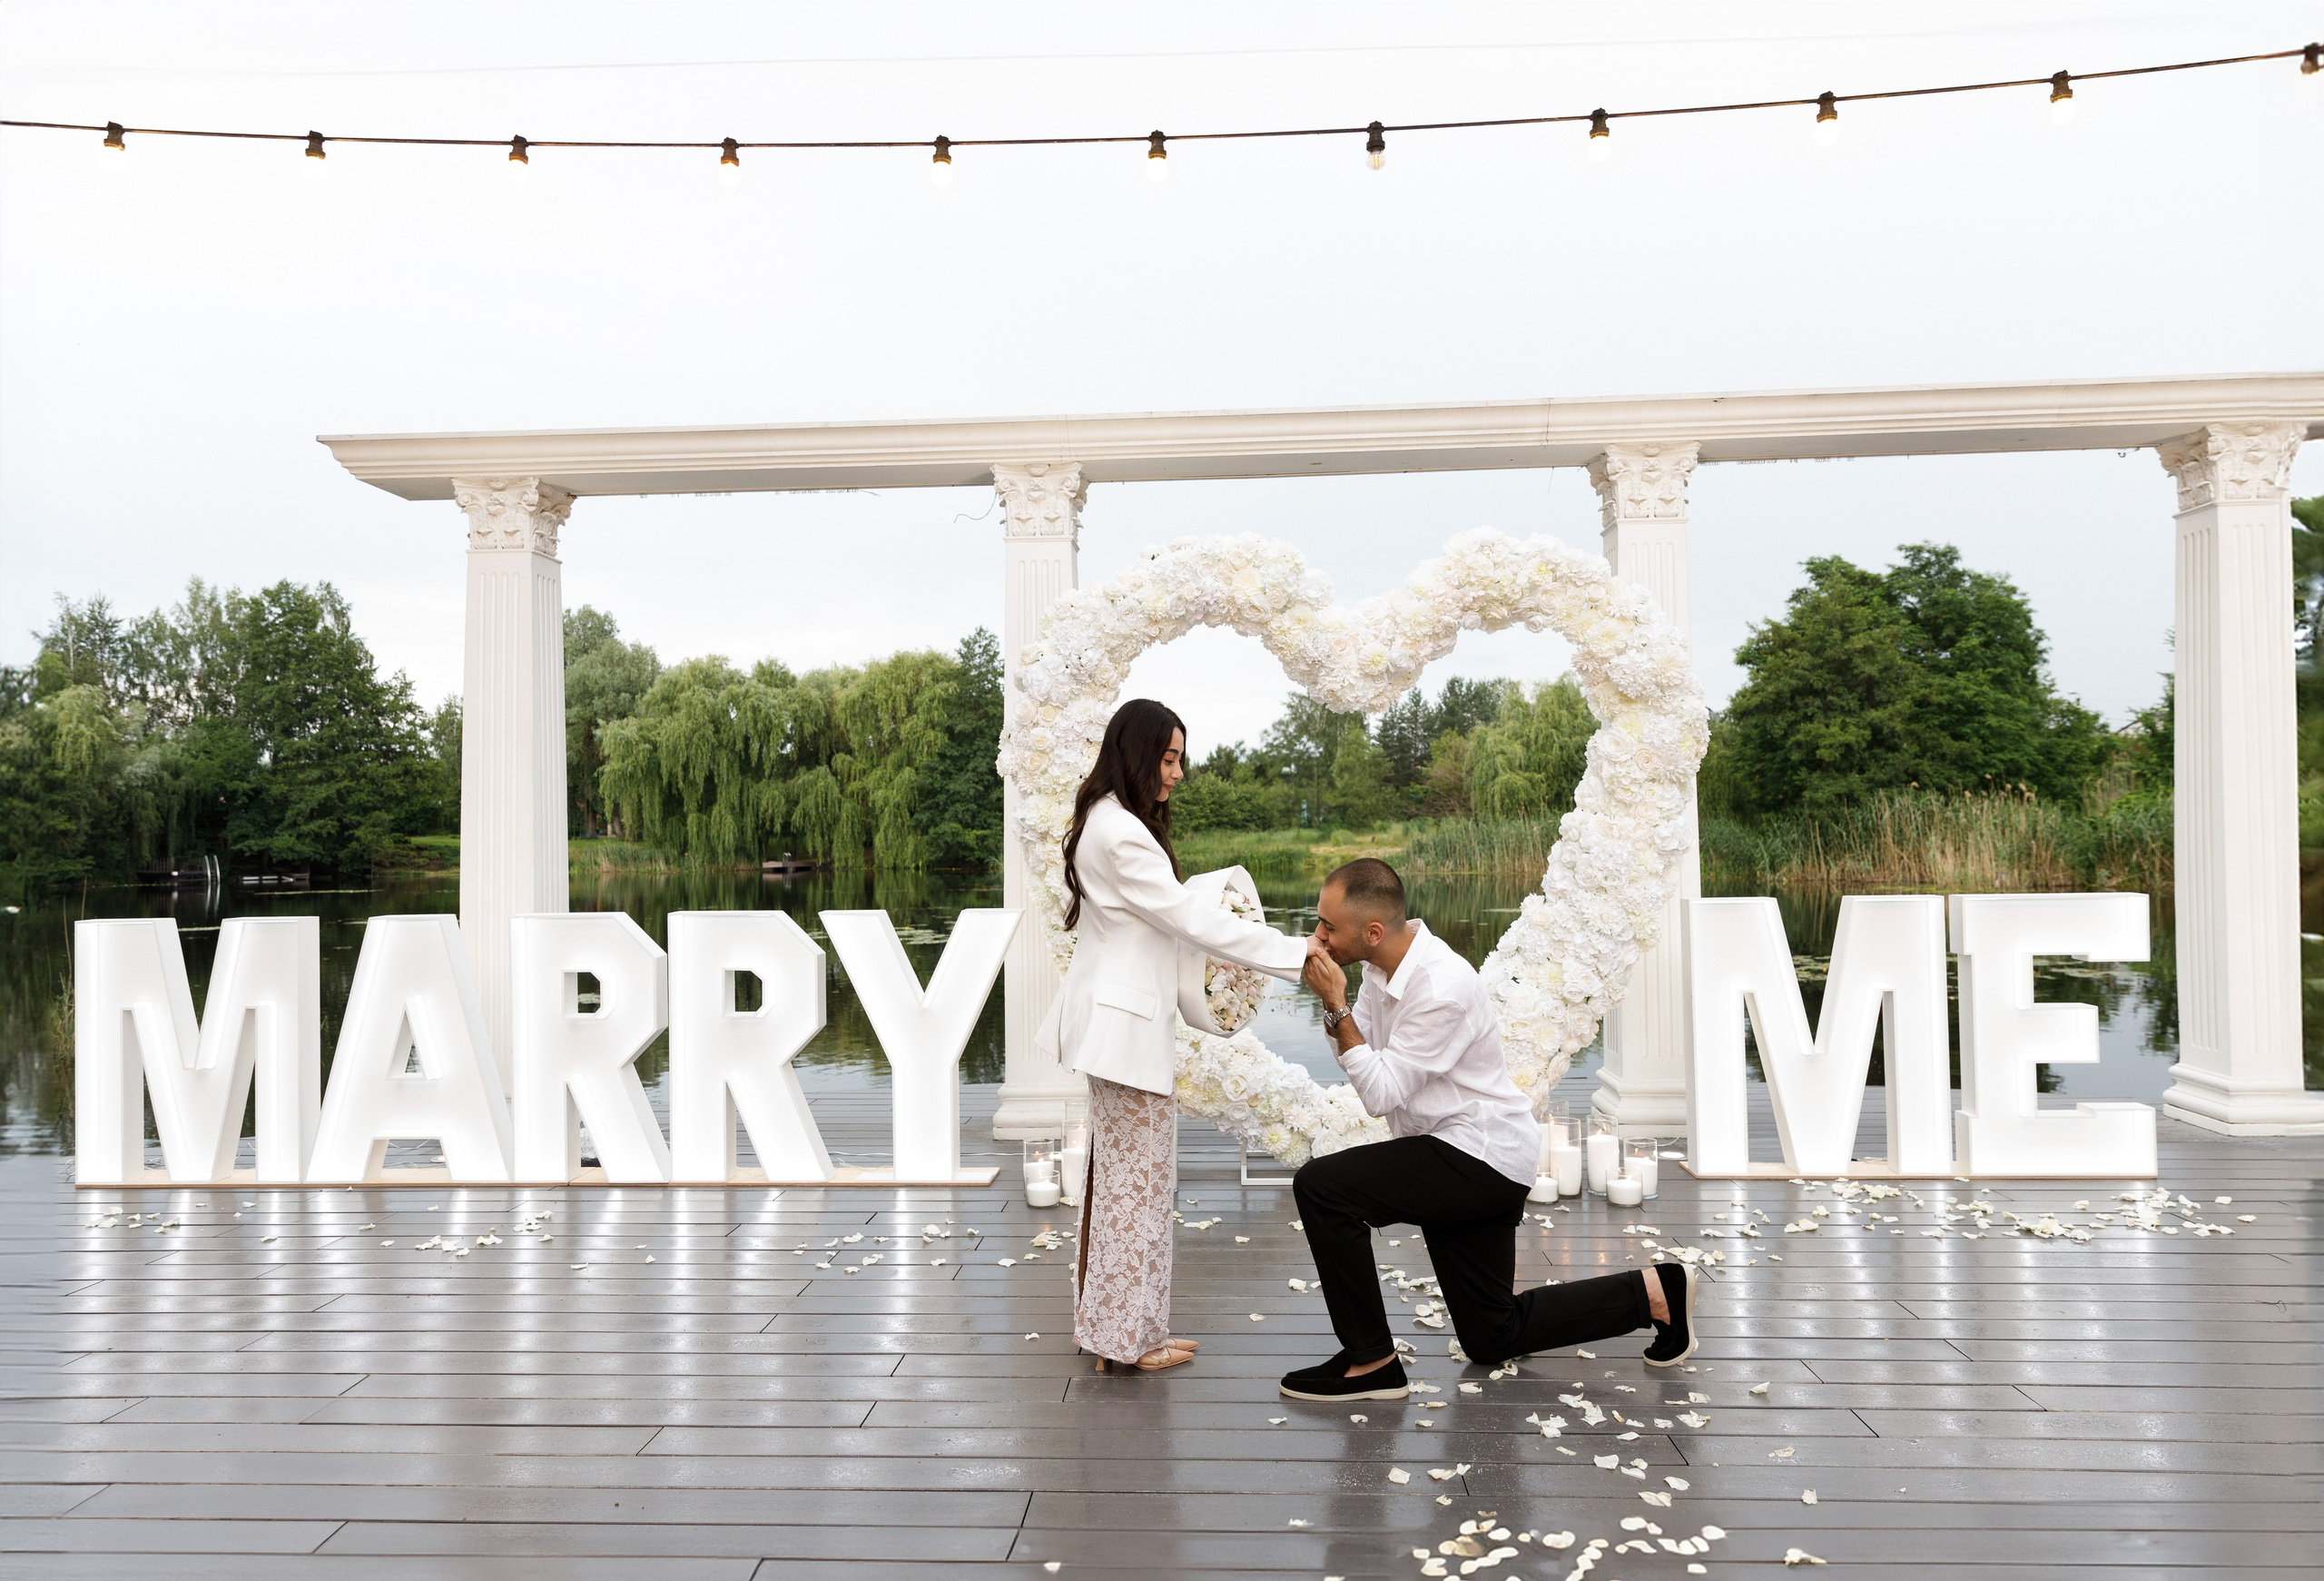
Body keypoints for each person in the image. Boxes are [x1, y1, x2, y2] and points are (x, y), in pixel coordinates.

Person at [1278, 857, 1700, 1401]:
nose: (1318, 937)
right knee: (1490, 1334)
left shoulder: (1441, 986)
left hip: (1477, 1157)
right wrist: (1339, 1011)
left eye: (1328, 926)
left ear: (1373, 930)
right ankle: (1656, 1293)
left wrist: (1335, 1005)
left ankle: (1372, 1362)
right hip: (1462, 1153)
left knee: (1322, 1187)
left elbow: (1379, 1092)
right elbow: (1368, 1064)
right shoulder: (1381, 971)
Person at [1040, 698, 1311, 1373]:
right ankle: (1125, 1341)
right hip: (1125, 1035)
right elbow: (1193, 921)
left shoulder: (1104, 821)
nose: (1179, 773)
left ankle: (1111, 1330)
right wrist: (1295, 952)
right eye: (1169, 758)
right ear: (1137, 755)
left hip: (1113, 1028)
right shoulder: (1123, 835)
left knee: (1124, 1184)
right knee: (1139, 1187)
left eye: (1179, 758)